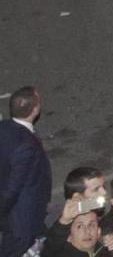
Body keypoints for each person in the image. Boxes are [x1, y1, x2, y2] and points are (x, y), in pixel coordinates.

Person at [0, 86, 50, 257]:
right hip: (21, 220)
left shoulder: (4, 128)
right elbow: (13, 189)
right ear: (35, 109)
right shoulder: (26, 146)